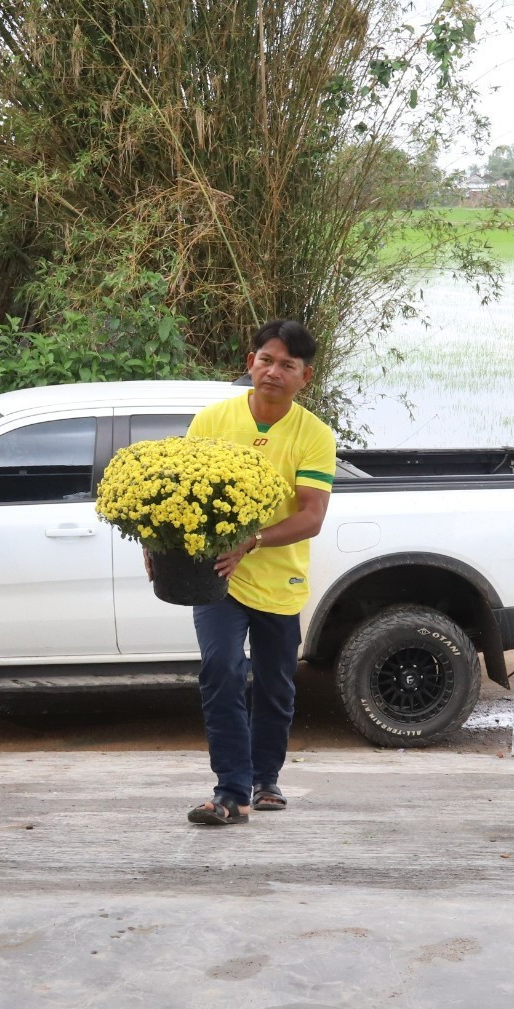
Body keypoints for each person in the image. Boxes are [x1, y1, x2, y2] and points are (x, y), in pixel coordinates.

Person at [182, 320, 336, 826]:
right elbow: (180, 494)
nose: (274, 372)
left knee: (275, 684)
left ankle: (265, 778)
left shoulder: (314, 436)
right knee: (222, 670)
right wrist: (155, 542)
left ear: (304, 377)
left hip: (279, 580)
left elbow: (312, 516)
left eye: (287, 365)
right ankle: (230, 790)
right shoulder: (211, 421)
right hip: (218, 576)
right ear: (250, 363)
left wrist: (254, 541)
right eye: (266, 360)